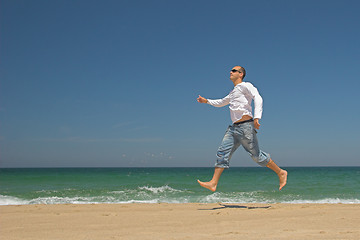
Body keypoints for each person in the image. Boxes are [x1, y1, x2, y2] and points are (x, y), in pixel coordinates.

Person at [197, 66, 287, 191]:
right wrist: (206, 101)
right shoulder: (233, 92)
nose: (230, 72)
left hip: (246, 127)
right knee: (222, 152)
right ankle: (213, 183)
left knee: (257, 156)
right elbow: (222, 102)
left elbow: (258, 97)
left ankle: (280, 172)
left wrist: (257, 117)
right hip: (234, 128)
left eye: (233, 70)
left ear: (241, 74)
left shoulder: (246, 85)